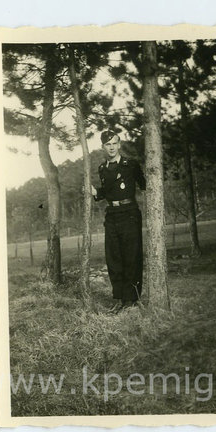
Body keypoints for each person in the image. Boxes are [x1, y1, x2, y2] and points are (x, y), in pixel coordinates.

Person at [92, 130, 146, 311]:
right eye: (108, 144)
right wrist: (94, 193)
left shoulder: (130, 165)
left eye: (114, 143)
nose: (112, 147)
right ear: (103, 147)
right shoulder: (102, 169)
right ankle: (119, 298)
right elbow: (107, 192)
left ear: (119, 144)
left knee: (131, 257)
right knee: (113, 258)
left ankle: (131, 299)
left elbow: (145, 184)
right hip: (112, 215)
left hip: (129, 213)